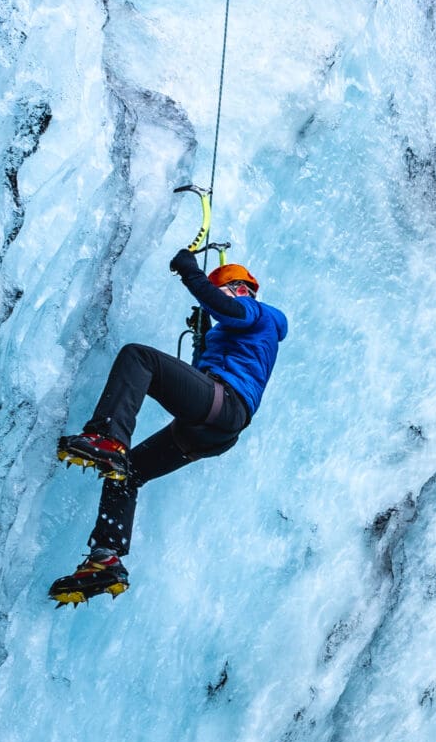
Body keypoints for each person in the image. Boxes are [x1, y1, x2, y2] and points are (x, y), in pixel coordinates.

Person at [50, 246, 288, 603]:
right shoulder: (239, 333)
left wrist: (191, 272)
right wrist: (201, 336)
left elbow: (225, 307)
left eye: (220, 289)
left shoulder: (259, 313)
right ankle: (106, 559)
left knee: (139, 357)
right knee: (127, 474)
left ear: (240, 289)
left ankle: (106, 437)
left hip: (225, 406)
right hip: (214, 429)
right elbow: (200, 376)